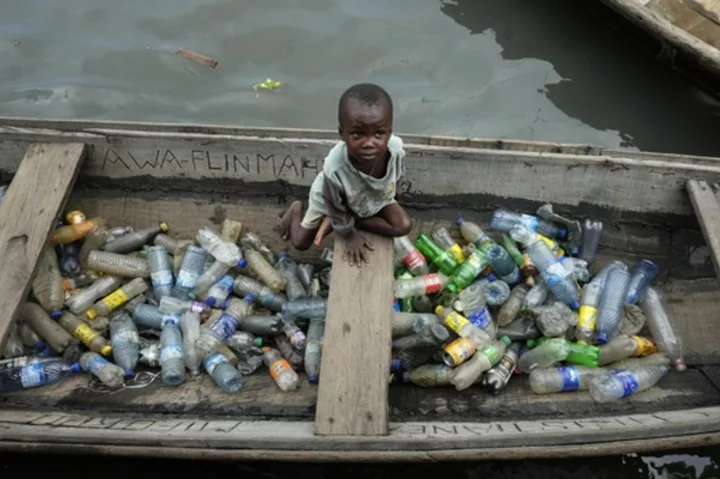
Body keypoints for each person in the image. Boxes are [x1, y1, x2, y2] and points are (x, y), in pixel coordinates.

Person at [277, 83, 413, 266]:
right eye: (358, 134)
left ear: (389, 132)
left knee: (403, 226)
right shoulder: (335, 168)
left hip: (368, 196)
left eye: (379, 134)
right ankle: (295, 210)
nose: (369, 143)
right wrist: (349, 234)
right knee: (300, 242)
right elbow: (334, 205)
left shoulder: (395, 148)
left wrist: (397, 186)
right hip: (331, 199)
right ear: (342, 133)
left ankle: (348, 221)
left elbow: (398, 170)